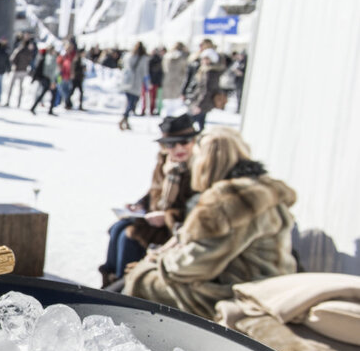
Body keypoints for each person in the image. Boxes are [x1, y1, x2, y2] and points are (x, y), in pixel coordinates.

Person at [124, 128, 298, 319]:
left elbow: (198, 263)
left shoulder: (231, 200)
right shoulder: (259, 187)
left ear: (206, 161)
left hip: (246, 291)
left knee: (142, 280)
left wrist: (159, 262)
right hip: (270, 283)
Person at [98, 114, 198, 287]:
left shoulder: (198, 168)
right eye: (171, 144)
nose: (178, 148)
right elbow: (155, 190)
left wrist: (166, 216)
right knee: (117, 228)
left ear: (194, 142)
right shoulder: (165, 162)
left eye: (184, 142)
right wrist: (141, 204)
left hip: (178, 227)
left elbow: (197, 209)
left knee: (129, 237)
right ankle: (110, 283)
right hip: (156, 218)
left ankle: (126, 286)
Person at [188, 47, 225, 130]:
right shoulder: (207, 70)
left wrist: (199, 104)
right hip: (203, 102)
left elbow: (206, 90)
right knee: (200, 124)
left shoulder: (210, 72)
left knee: (191, 122)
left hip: (203, 102)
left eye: (206, 58)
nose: (203, 61)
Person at [117, 42, 149, 130]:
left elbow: (123, 66)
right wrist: (146, 83)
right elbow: (144, 72)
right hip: (136, 82)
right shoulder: (143, 58)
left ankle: (125, 120)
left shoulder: (129, 56)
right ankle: (124, 117)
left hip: (127, 81)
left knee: (129, 102)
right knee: (132, 103)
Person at [160, 42, 189, 116]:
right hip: (178, 81)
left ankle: (167, 117)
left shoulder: (167, 56)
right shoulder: (183, 58)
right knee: (177, 105)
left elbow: (164, 69)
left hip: (168, 81)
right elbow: (185, 71)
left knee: (167, 104)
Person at [29, 44, 58, 116]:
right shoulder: (50, 58)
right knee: (51, 94)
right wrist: (52, 82)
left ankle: (34, 107)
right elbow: (51, 72)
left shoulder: (49, 57)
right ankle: (49, 110)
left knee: (44, 94)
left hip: (47, 79)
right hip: (48, 79)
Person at [6, 36, 36, 107]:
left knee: (11, 86)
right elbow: (31, 61)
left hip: (17, 70)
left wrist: (15, 64)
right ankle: (19, 103)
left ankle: (8, 101)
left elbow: (12, 59)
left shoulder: (19, 50)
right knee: (21, 87)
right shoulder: (29, 52)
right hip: (24, 71)